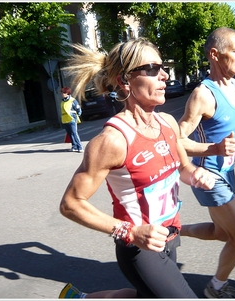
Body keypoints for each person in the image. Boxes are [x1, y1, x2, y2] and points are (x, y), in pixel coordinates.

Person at [58, 38, 215, 298]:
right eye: (153, 68)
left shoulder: (167, 123)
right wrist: (130, 231)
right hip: (139, 248)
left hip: (170, 234)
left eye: (162, 67)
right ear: (124, 80)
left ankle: (81, 298)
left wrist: (195, 174)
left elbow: (183, 168)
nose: (165, 75)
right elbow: (71, 204)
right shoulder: (112, 141)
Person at [177, 27, 235, 298]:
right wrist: (215, 149)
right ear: (215, 54)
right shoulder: (203, 95)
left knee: (222, 233)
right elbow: (176, 139)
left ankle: (173, 231)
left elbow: (227, 130)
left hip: (227, 171)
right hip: (208, 175)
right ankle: (215, 289)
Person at [61, 86, 83, 153]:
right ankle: (74, 146)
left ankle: (80, 147)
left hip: (72, 119)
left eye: (64, 93)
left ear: (67, 93)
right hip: (65, 120)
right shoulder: (62, 102)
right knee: (70, 134)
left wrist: (77, 115)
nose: (62, 94)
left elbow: (78, 109)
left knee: (74, 133)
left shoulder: (72, 100)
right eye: (62, 93)